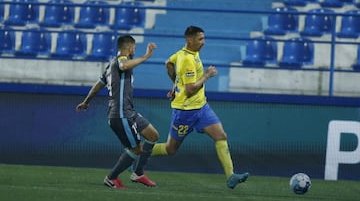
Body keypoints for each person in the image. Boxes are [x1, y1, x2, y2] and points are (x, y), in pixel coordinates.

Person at [152, 25, 249, 189]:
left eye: (203, 38)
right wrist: (206, 75)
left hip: (201, 107)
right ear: (190, 40)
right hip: (185, 112)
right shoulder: (188, 60)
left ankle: (231, 176)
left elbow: (168, 63)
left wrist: (176, 85)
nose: (203, 42)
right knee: (170, 149)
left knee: (221, 136)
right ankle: (138, 152)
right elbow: (190, 90)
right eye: (200, 39)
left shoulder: (186, 53)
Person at [76, 35, 159, 189]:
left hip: (129, 111)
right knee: (136, 149)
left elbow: (98, 85)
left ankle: (138, 173)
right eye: (134, 48)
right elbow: (124, 66)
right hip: (120, 113)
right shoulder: (121, 60)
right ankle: (111, 178)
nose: (135, 50)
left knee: (153, 135)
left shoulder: (109, 66)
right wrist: (146, 56)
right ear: (129, 48)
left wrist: (87, 101)